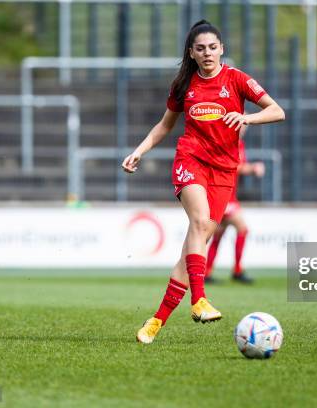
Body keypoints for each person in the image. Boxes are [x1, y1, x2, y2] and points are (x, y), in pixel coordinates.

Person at [122, 20, 285, 344]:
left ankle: (156, 321)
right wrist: (139, 151)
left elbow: (277, 111)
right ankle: (199, 300)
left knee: (191, 252)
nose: (207, 53)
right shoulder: (184, 84)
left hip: (224, 171)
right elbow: (164, 125)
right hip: (191, 160)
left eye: (212, 47)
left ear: (221, 49)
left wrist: (246, 116)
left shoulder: (237, 80)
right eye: (200, 48)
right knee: (199, 221)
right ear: (191, 53)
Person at [205, 130, 264, 284]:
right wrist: (252, 168)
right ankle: (237, 271)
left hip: (227, 195)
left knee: (217, 234)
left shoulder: (238, 144)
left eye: (246, 124)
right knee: (242, 228)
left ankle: (206, 272)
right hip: (224, 195)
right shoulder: (226, 143)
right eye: (243, 122)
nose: (244, 127)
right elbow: (231, 167)